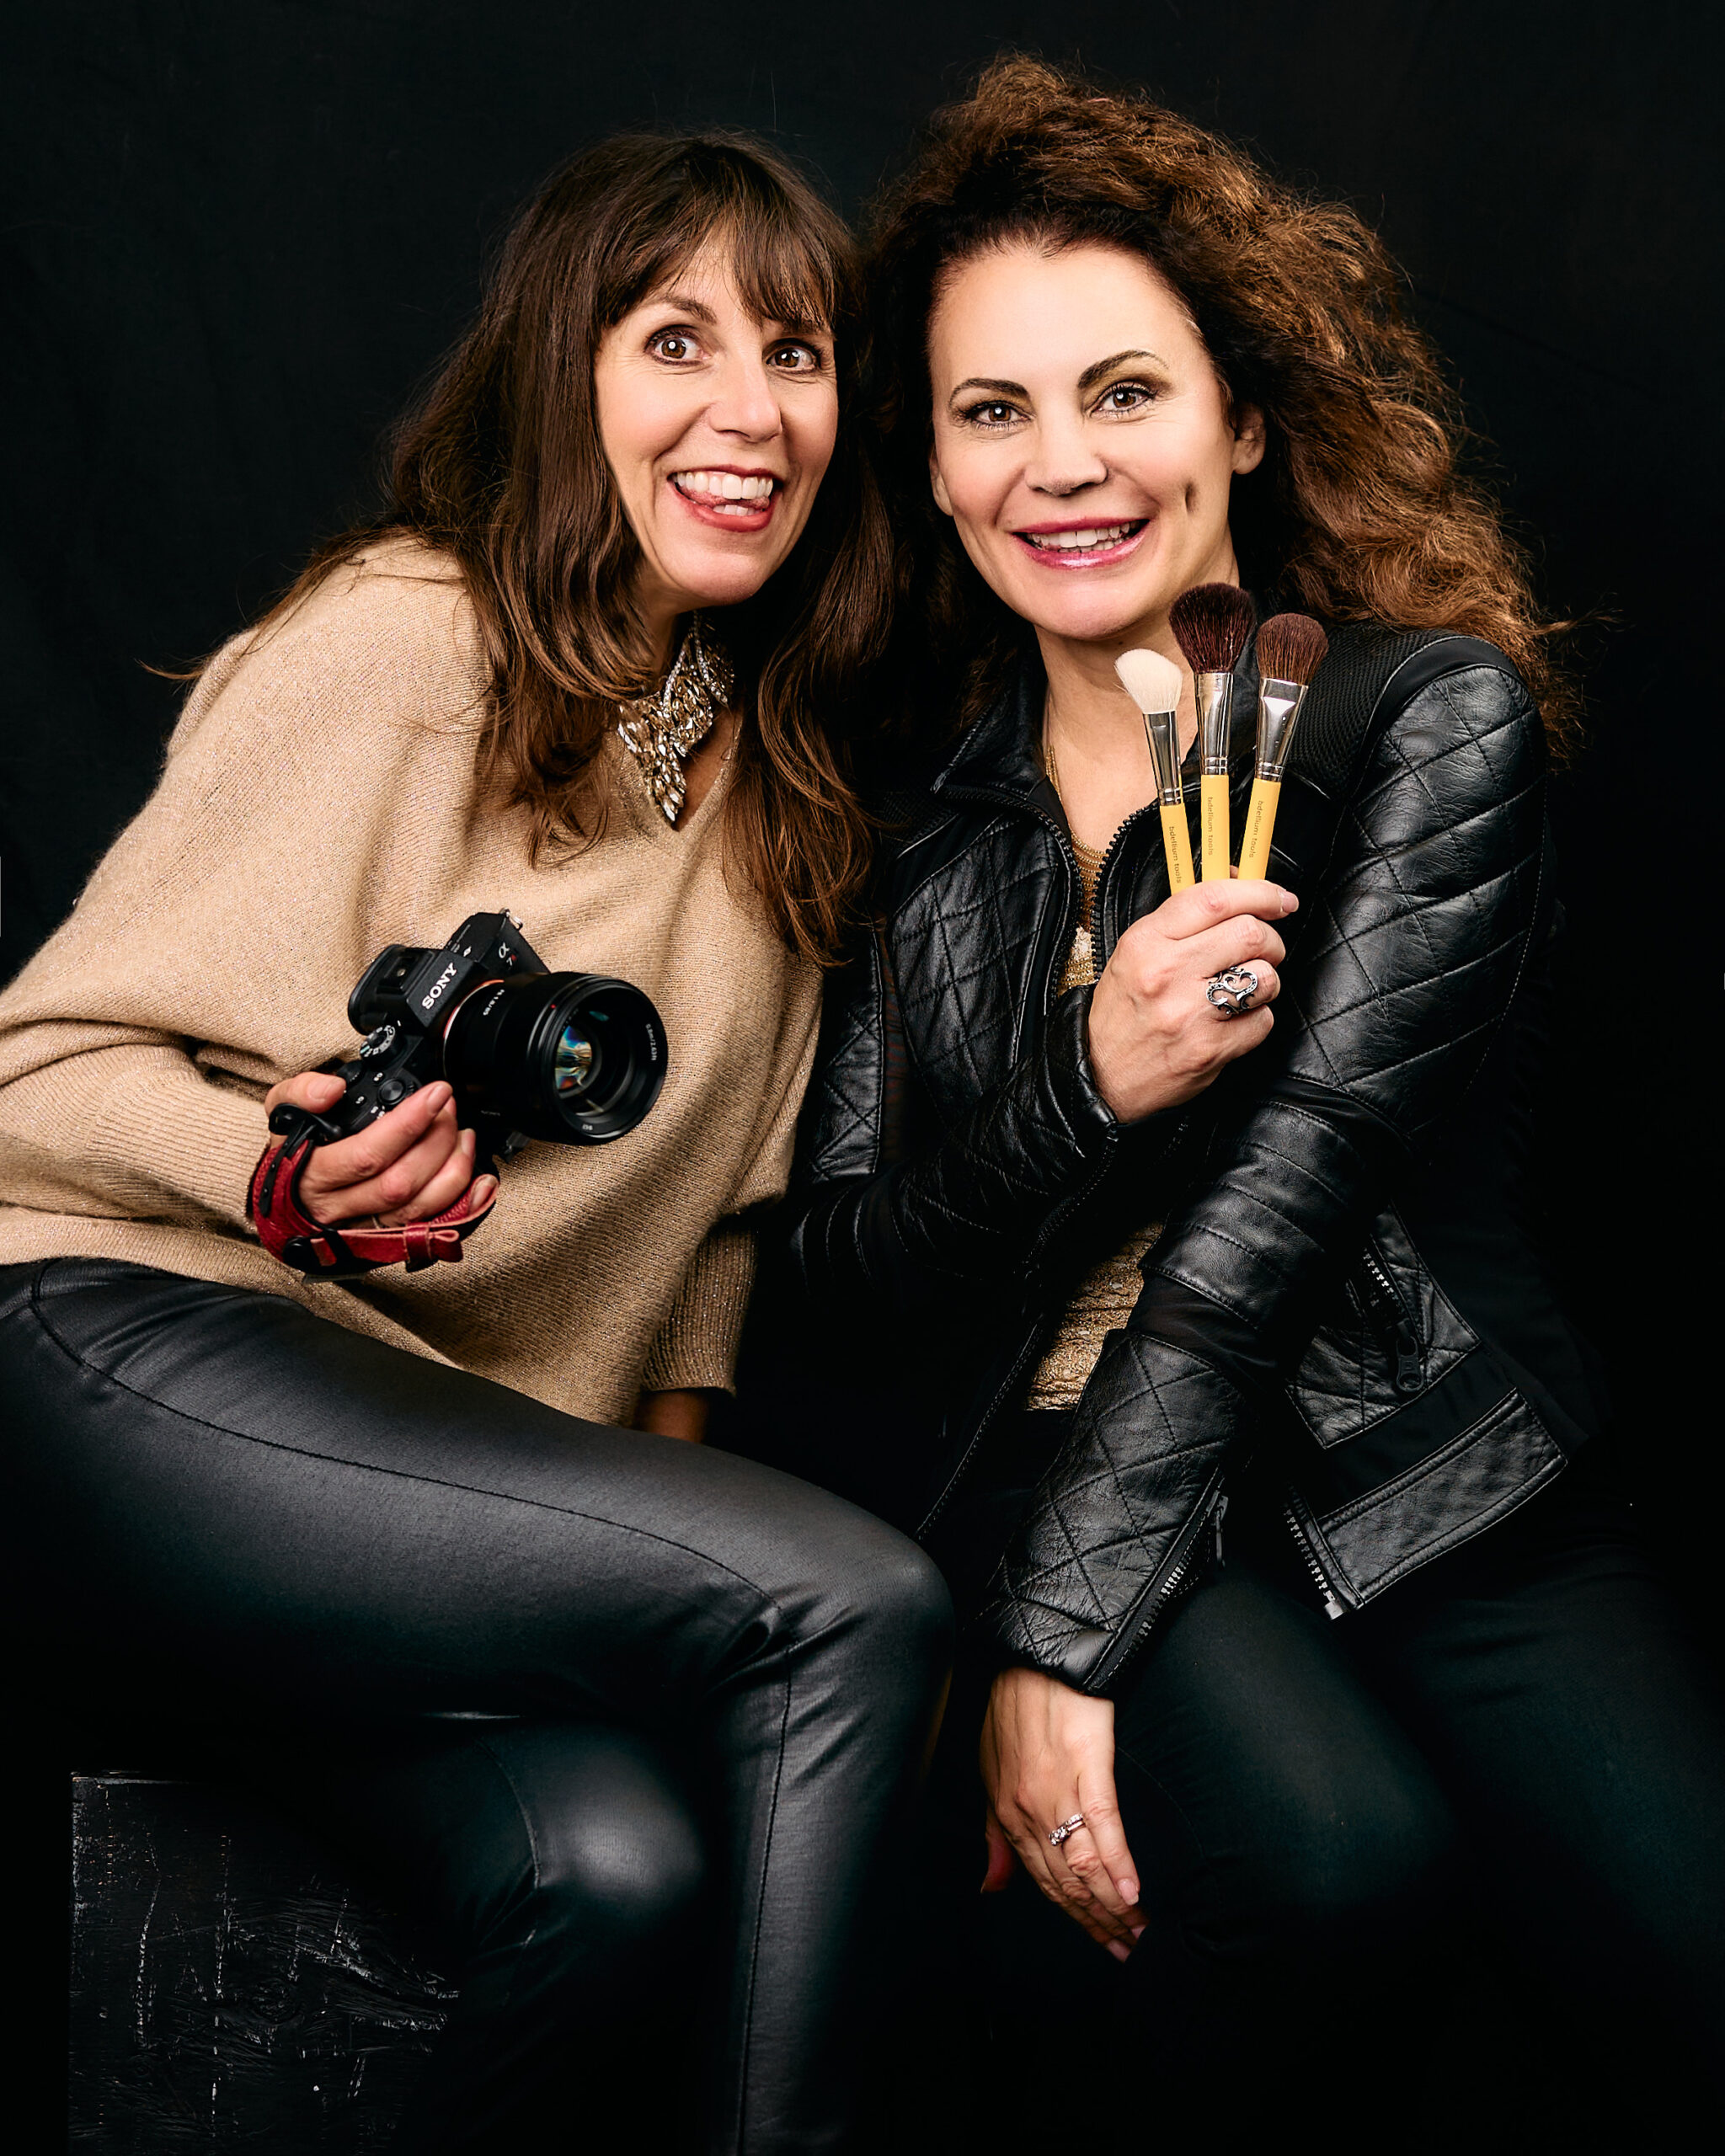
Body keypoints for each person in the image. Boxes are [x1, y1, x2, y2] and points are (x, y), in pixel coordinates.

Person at [760, 58, 1725, 2137]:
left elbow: (1291, 1188)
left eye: (1123, 391)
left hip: (1439, 1483)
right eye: (989, 413)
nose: (1061, 465)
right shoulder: (905, 832)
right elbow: (828, 1279)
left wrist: (1051, 1639)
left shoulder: (1420, 720)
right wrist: (1080, 1087)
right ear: (927, 472)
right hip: (1071, 1482)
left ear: (1243, 417)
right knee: (1331, 1866)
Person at [0, 131, 951, 2154]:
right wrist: (280, 1173)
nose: (747, 410)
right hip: (105, 1359)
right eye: (672, 338)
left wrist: (666, 1596)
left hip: (396, 1511)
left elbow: (691, 1300)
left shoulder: (781, 801)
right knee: (855, 1600)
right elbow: (30, 1069)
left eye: (795, 352)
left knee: (609, 1873)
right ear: (559, 373)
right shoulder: (410, 636)